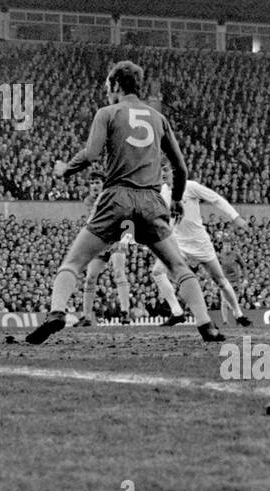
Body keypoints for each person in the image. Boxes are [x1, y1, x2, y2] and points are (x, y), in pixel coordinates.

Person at [27, 60, 224, 345]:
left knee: (73, 262)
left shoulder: (107, 113)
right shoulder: (158, 118)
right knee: (178, 266)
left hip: (116, 197)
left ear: (117, 85)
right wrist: (178, 200)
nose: (106, 92)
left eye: (108, 87)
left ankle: (57, 312)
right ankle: (206, 325)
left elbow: (92, 154)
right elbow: (181, 169)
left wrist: (65, 169)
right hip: (152, 200)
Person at [152, 174, 253, 327]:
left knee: (220, 280)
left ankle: (238, 314)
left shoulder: (190, 186)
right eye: (160, 170)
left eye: (165, 169)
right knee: (157, 271)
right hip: (178, 242)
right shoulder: (162, 192)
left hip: (200, 242)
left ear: (175, 170)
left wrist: (235, 217)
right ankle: (177, 312)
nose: (163, 174)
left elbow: (215, 198)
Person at [77, 178, 136, 326]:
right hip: (100, 241)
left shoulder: (115, 196)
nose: (94, 186)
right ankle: (87, 316)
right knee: (90, 277)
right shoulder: (89, 200)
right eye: (91, 183)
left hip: (116, 238)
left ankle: (125, 312)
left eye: (97, 182)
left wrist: (127, 236)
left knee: (118, 272)